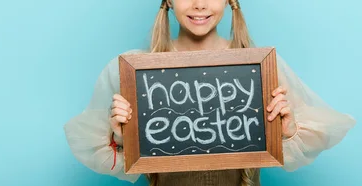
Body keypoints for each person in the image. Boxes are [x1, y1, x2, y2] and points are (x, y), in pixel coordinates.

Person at [62, 0, 357, 186]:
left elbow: (304, 143)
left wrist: (287, 131)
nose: (199, 4)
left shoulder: (260, 67)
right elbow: (112, 155)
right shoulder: (135, 71)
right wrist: (120, 135)